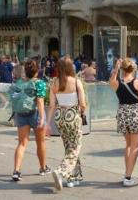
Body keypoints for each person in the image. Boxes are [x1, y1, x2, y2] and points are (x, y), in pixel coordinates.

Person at [109, 58, 138, 188]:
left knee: (128, 145)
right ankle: (128, 178)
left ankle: (127, 173)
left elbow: (111, 80)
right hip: (135, 115)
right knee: (135, 147)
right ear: (133, 69)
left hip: (122, 114)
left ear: (122, 69)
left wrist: (116, 68)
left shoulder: (116, 83)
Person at [47, 57, 87, 190]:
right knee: (75, 147)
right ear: (71, 67)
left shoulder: (54, 83)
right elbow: (82, 104)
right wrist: (82, 111)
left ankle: (73, 178)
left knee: (69, 147)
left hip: (59, 116)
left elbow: (52, 105)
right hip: (73, 116)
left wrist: (47, 124)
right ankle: (61, 171)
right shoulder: (76, 82)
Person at [10, 58, 50, 182]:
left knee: (22, 143)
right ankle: (43, 168)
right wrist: (42, 118)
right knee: (40, 142)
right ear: (37, 71)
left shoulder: (19, 82)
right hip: (35, 114)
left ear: (25, 71)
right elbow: (40, 101)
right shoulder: (39, 83)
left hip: (21, 114)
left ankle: (16, 171)